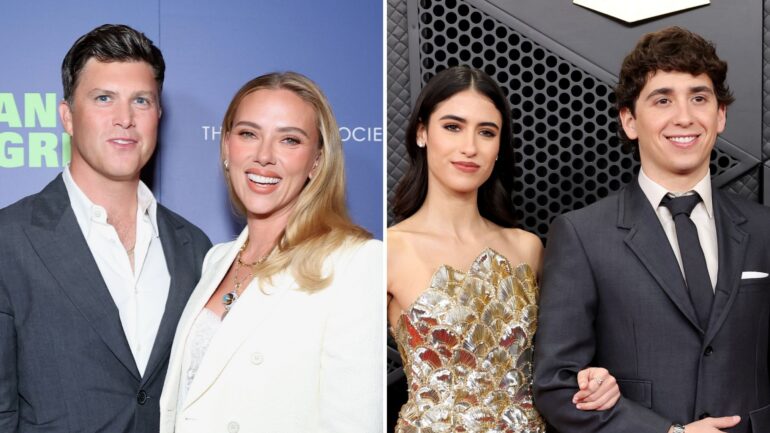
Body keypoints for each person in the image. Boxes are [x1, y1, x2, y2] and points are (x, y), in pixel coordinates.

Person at [534, 26, 770, 433]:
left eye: (699, 97)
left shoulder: (765, 230)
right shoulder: (582, 235)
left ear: (721, 115)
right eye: (663, 100)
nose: (684, 116)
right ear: (629, 120)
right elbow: (556, 385)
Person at [0, 24, 211, 432]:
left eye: (141, 101)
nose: (125, 119)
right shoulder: (9, 240)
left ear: (158, 116)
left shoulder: (195, 248)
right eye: (103, 99)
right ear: (67, 117)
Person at [387, 65, 620, 433]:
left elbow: (564, 361)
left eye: (487, 132)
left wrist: (594, 378)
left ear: (499, 147)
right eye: (452, 127)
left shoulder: (528, 248)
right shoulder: (388, 251)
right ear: (421, 133)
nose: (470, 147)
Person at [158, 71, 382, 433]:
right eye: (248, 134)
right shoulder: (216, 259)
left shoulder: (354, 262)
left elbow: (353, 423)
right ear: (227, 147)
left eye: (289, 140)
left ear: (316, 161)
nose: (264, 156)